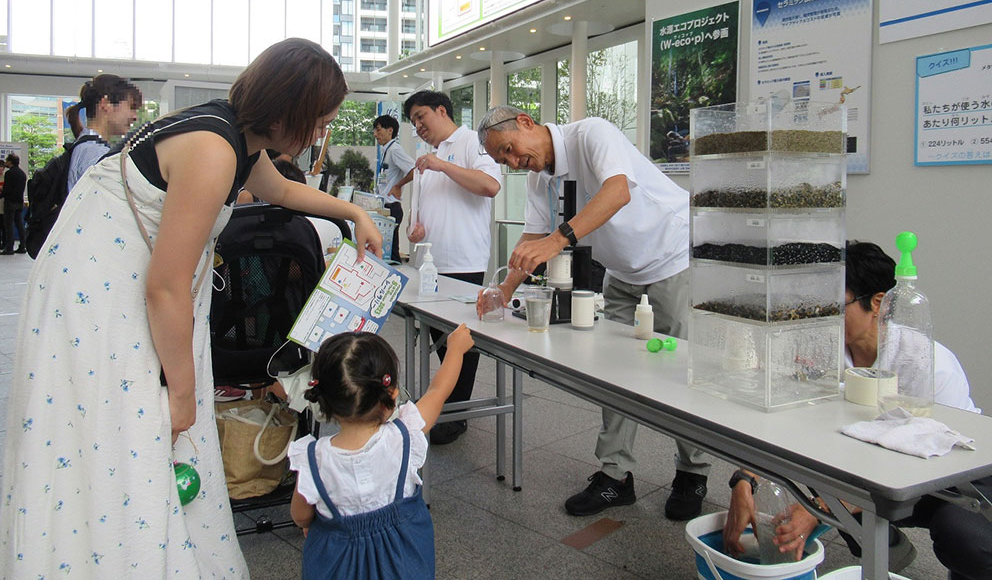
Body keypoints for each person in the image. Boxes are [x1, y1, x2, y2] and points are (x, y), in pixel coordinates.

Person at [0, 38, 383, 579]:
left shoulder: (234, 137)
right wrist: (182, 391)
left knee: (137, 434)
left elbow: (283, 191)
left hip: (115, 289)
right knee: (135, 431)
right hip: (103, 301)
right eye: (319, 120)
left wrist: (353, 214)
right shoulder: (213, 149)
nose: (320, 134)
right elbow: (166, 287)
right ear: (289, 109)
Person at [475, 105, 711, 520]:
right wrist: (501, 290)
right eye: (504, 161)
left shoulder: (591, 134)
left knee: (680, 368)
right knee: (613, 375)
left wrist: (558, 238)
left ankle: (692, 472)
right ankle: (616, 476)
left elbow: (617, 191)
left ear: (527, 123)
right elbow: (532, 236)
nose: (514, 162)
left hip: (673, 256)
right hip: (621, 270)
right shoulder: (538, 179)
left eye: (510, 150)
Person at [722, 241, 989, 579]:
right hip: (878, 467)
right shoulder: (827, 351)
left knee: (962, 536)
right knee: (821, 480)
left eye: (837, 303)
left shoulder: (931, 366)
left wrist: (819, 510)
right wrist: (745, 480)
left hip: (954, 481)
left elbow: (920, 464)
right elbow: (783, 417)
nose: (823, 313)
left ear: (877, 303)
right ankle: (885, 548)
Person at [289, 324, 474, 579]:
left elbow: (300, 515)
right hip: (403, 559)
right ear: (391, 395)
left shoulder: (313, 458)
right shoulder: (404, 436)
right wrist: (455, 349)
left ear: (324, 399)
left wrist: (313, 524)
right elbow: (438, 391)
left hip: (335, 562)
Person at [403, 90, 501, 445]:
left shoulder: (472, 142)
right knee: (439, 340)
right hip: (429, 262)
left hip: (463, 260)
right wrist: (416, 229)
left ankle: (456, 412)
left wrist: (443, 165)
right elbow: (425, 213)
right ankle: (441, 403)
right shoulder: (426, 157)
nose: (418, 126)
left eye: (421, 117)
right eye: (413, 122)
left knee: (459, 341)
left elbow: (490, 186)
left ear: (441, 110)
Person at [66, 74, 143, 191]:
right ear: (105, 104)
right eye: (131, 107)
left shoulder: (86, 147)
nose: (135, 117)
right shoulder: (96, 153)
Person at [372, 114, 415, 263]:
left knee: (391, 254)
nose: (375, 134)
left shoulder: (395, 149)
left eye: (378, 130)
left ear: (390, 131)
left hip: (392, 207)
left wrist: (399, 185)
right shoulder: (386, 150)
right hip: (384, 206)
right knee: (385, 252)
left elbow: (414, 170)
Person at [0, 153, 26, 255]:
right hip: (19, 202)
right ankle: (23, 246)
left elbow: (8, 189)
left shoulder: (9, 173)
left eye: (7, 161)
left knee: (9, 225)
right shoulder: (22, 173)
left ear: (10, 162)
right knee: (19, 224)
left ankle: (9, 248)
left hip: (10, 202)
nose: (5, 163)